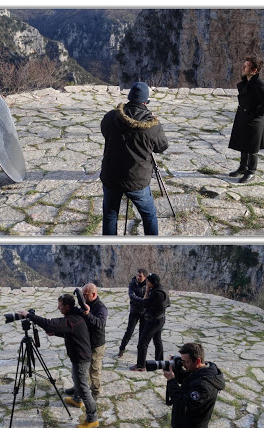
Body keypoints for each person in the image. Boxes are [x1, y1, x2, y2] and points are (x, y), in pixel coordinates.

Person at [18, 293, 98, 428]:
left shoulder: (72, 319)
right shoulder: (75, 315)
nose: (58, 307)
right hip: (80, 355)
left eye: (60, 305)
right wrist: (56, 333)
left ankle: (92, 419)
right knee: (76, 379)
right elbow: (70, 330)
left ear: (67, 306)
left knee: (84, 388)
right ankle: (77, 400)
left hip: (80, 357)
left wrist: (28, 315)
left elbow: (49, 323)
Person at [100, 81, 169, 235]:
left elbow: (104, 131)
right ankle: (152, 245)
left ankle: (108, 245)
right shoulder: (152, 125)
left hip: (111, 176)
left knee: (110, 215)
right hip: (137, 181)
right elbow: (162, 147)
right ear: (146, 102)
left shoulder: (111, 116)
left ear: (129, 97)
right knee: (149, 215)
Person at [164, 343, 225, 428]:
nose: (184, 365)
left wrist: (171, 381)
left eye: (185, 362)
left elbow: (181, 403)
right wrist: (176, 368)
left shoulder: (203, 385)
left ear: (197, 361)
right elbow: (187, 379)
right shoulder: (203, 370)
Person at [228, 56, 264, 183]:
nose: (243, 67)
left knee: (252, 148)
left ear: (254, 70)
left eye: (246, 66)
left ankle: (251, 172)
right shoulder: (246, 82)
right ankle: (242, 168)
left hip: (254, 121)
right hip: (243, 117)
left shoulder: (260, 85)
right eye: (244, 64)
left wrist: (253, 116)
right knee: (243, 144)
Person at [65, 283, 108, 401]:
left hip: (96, 344)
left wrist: (88, 314)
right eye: (82, 294)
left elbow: (100, 324)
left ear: (93, 294)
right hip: (85, 342)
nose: (83, 297)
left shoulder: (101, 308)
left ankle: (96, 392)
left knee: (94, 370)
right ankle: (77, 387)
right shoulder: (86, 304)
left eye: (85, 294)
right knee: (79, 368)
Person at [129, 273, 169, 371]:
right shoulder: (161, 289)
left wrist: (146, 291)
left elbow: (145, 303)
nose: (146, 282)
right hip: (160, 319)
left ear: (152, 283)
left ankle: (140, 365)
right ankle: (159, 362)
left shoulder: (157, 293)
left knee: (143, 342)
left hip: (154, 320)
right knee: (157, 340)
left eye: (148, 281)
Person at [118, 268, 148, 357]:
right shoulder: (132, 284)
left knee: (142, 333)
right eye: (137, 275)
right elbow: (132, 296)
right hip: (134, 311)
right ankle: (122, 348)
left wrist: (144, 301)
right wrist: (144, 301)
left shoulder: (148, 285)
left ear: (145, 277)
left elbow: (150, 296)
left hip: (144, 312)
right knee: (129, 332)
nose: (138, 277)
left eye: (140, 276)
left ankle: (140, 349)